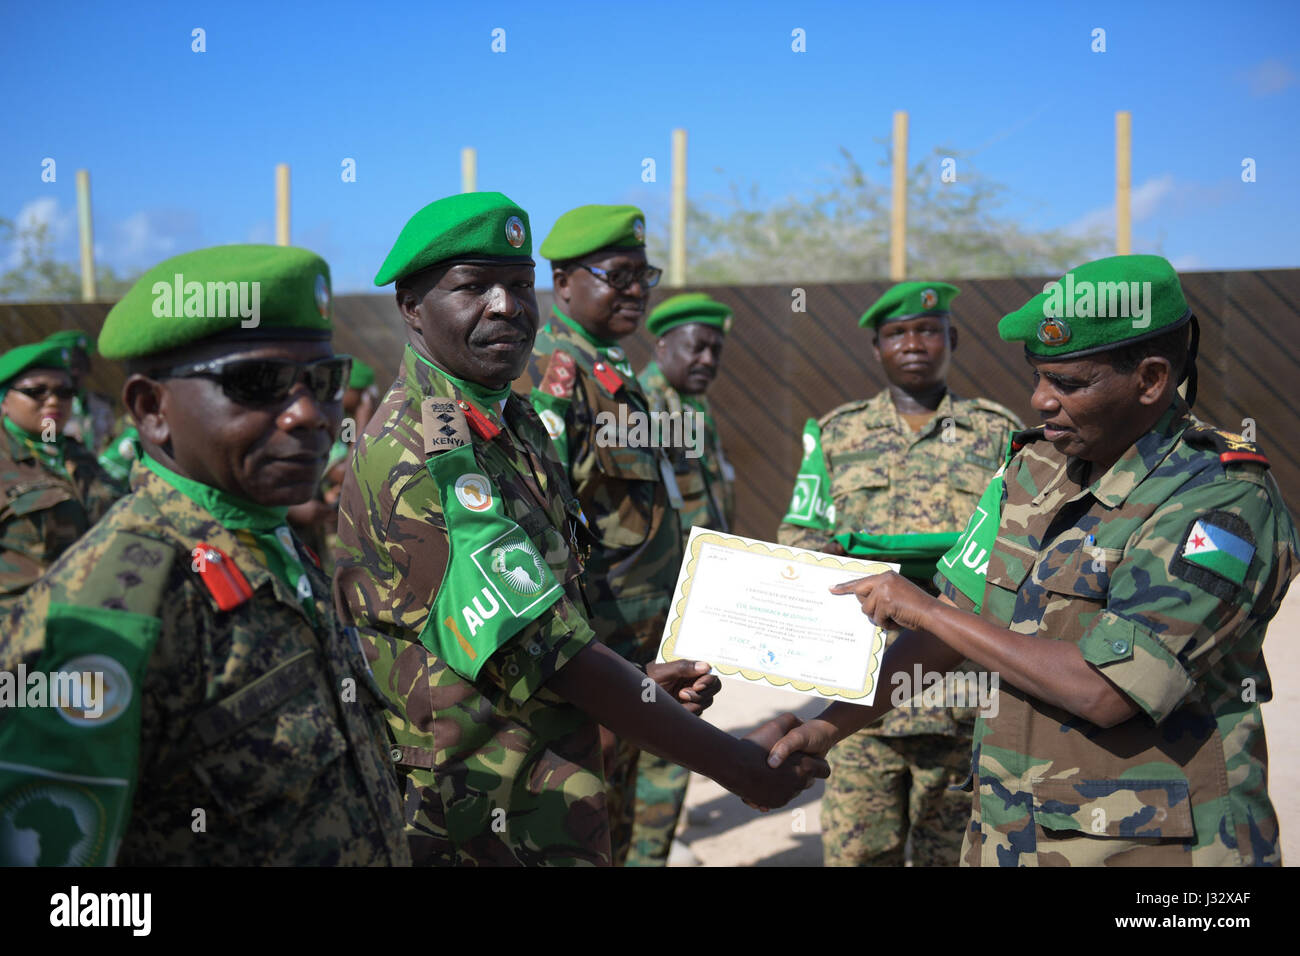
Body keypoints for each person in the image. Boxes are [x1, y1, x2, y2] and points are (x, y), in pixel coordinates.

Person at [336, 192, 827, 866]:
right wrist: (739, 766)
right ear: (412, 308)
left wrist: (639, 678)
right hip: (479, 811)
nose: (506, 305)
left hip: (544, 779)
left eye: (515, 284)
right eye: (473, 287)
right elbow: (548, 648)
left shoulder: (508, 422)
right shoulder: (423, 450)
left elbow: (537, 617)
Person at [766, 254, 1299, 867]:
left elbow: (1106, 689)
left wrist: (923, 612)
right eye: (1039, 376)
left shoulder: (1222, 499)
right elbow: (955, 616)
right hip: (1012, 837)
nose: (1040, 400)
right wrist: (829, 725)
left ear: (1151, 380)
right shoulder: (1033, 469)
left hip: (1156, 851)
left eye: (1068, 383)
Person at [0, 244, 411, 866]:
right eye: (257, 383)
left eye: (322, 381)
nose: (307, 414)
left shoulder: (267, 538)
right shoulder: (112, 610)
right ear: (150, 409)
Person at [775, 281, 1020, 867]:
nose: (914, 344)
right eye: (897, 333)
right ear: (876, 347)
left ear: (951, 340)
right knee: (861, 856)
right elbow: (797, 534)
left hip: (962, 690)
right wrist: (831, 555)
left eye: (928, 331)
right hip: (861, 689)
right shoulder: (838, 433)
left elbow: (1020, 543)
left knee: (957, 858)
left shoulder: (999, 432)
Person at [516, 204, 685, 863]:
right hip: (602, 659)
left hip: (646, 649)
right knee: (589, 832)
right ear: (562, 283)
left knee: (642, 830)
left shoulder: (614, 376)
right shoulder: (555, 377)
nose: (637, 289)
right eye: (618, 275)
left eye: (645, 274)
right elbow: (547, 532)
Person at [628, 291, 736, 866]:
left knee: (673, 748)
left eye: (716, 349)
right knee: (656, 759)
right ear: (663, 343)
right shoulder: (641, 407)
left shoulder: (695, 409)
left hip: (693, 609)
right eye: (697, 346)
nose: (708, 359)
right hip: (651, 615)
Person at [0, 339, 126, 613]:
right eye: (36, 391)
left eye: (65, 391)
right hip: (18, 632)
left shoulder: (76, 453)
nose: (54, 400)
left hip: (90, 620)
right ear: (4, 400)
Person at [288, 358, 380, 570]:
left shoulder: (348, 424)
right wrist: (363, 413)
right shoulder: (324, 420)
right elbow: (349, 471)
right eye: (361, 392)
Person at [44, 330, 116, 453]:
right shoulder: (46, 407)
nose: (75, 373)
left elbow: (110, 442)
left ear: (88, 369)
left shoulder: (102, 406)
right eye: (70, 366)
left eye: (80, 366)